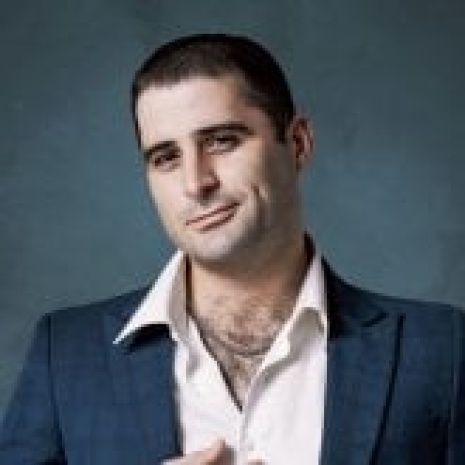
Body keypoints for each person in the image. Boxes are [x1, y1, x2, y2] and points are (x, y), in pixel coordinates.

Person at [0, 33, 464, 465]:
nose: (196, 182)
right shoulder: (65, 355)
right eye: (166, 157)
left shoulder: (443, 349)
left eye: (222, 141)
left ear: (298, 144)